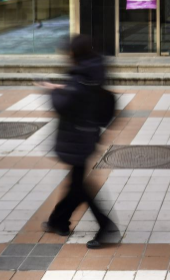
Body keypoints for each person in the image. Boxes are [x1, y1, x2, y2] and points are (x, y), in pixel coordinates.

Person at [39, 35, 119, 248]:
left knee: (80, 187)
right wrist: (64, 88)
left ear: (74, 53)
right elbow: (79, 96)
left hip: (77, 138)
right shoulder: (92, 70)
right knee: (76, 183)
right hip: (87, 134)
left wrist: (51, 90)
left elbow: (63, 105)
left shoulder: (80, 78)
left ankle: (107, 228)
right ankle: (58, 220)